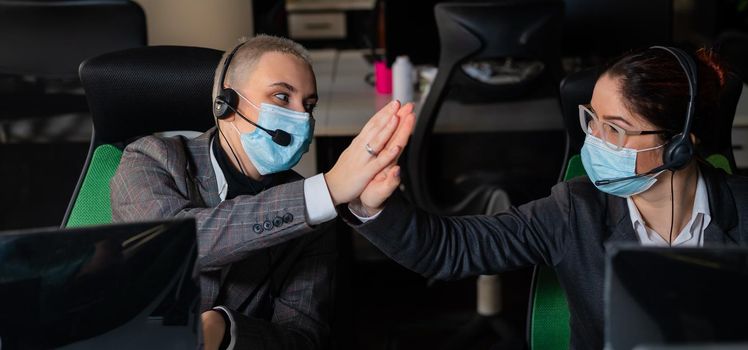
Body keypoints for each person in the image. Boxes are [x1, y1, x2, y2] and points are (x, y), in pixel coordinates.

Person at [343, 47, 748, 349]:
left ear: (680, 144)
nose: (595, 140)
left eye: (615, 129)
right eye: (592, 120)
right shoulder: (577, 210)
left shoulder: (743, 212)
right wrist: (374, 206)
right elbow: (450, 250)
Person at [110, 35, 415, 349]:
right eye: (282, 97)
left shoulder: (316, 218)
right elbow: (179, 245)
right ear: (225, 104)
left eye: (309, 105)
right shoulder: (150, 159)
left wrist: (225, 330)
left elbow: (302, 338)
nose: (301, 118)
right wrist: (329, 188)